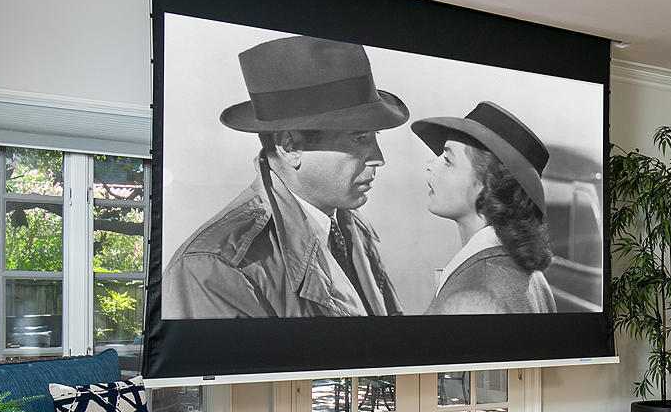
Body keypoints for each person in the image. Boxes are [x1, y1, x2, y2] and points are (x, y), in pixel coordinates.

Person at [164, 36, 408, 318]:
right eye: (359, 138)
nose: (378, 158)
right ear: (289, 147)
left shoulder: (351, 227)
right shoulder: (214, 270)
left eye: (376, 136)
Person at [411, 101, 557, 315]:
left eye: (448, 160)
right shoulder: (532, 278)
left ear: (487, 184)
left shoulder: (476, 291)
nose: (430, 165)